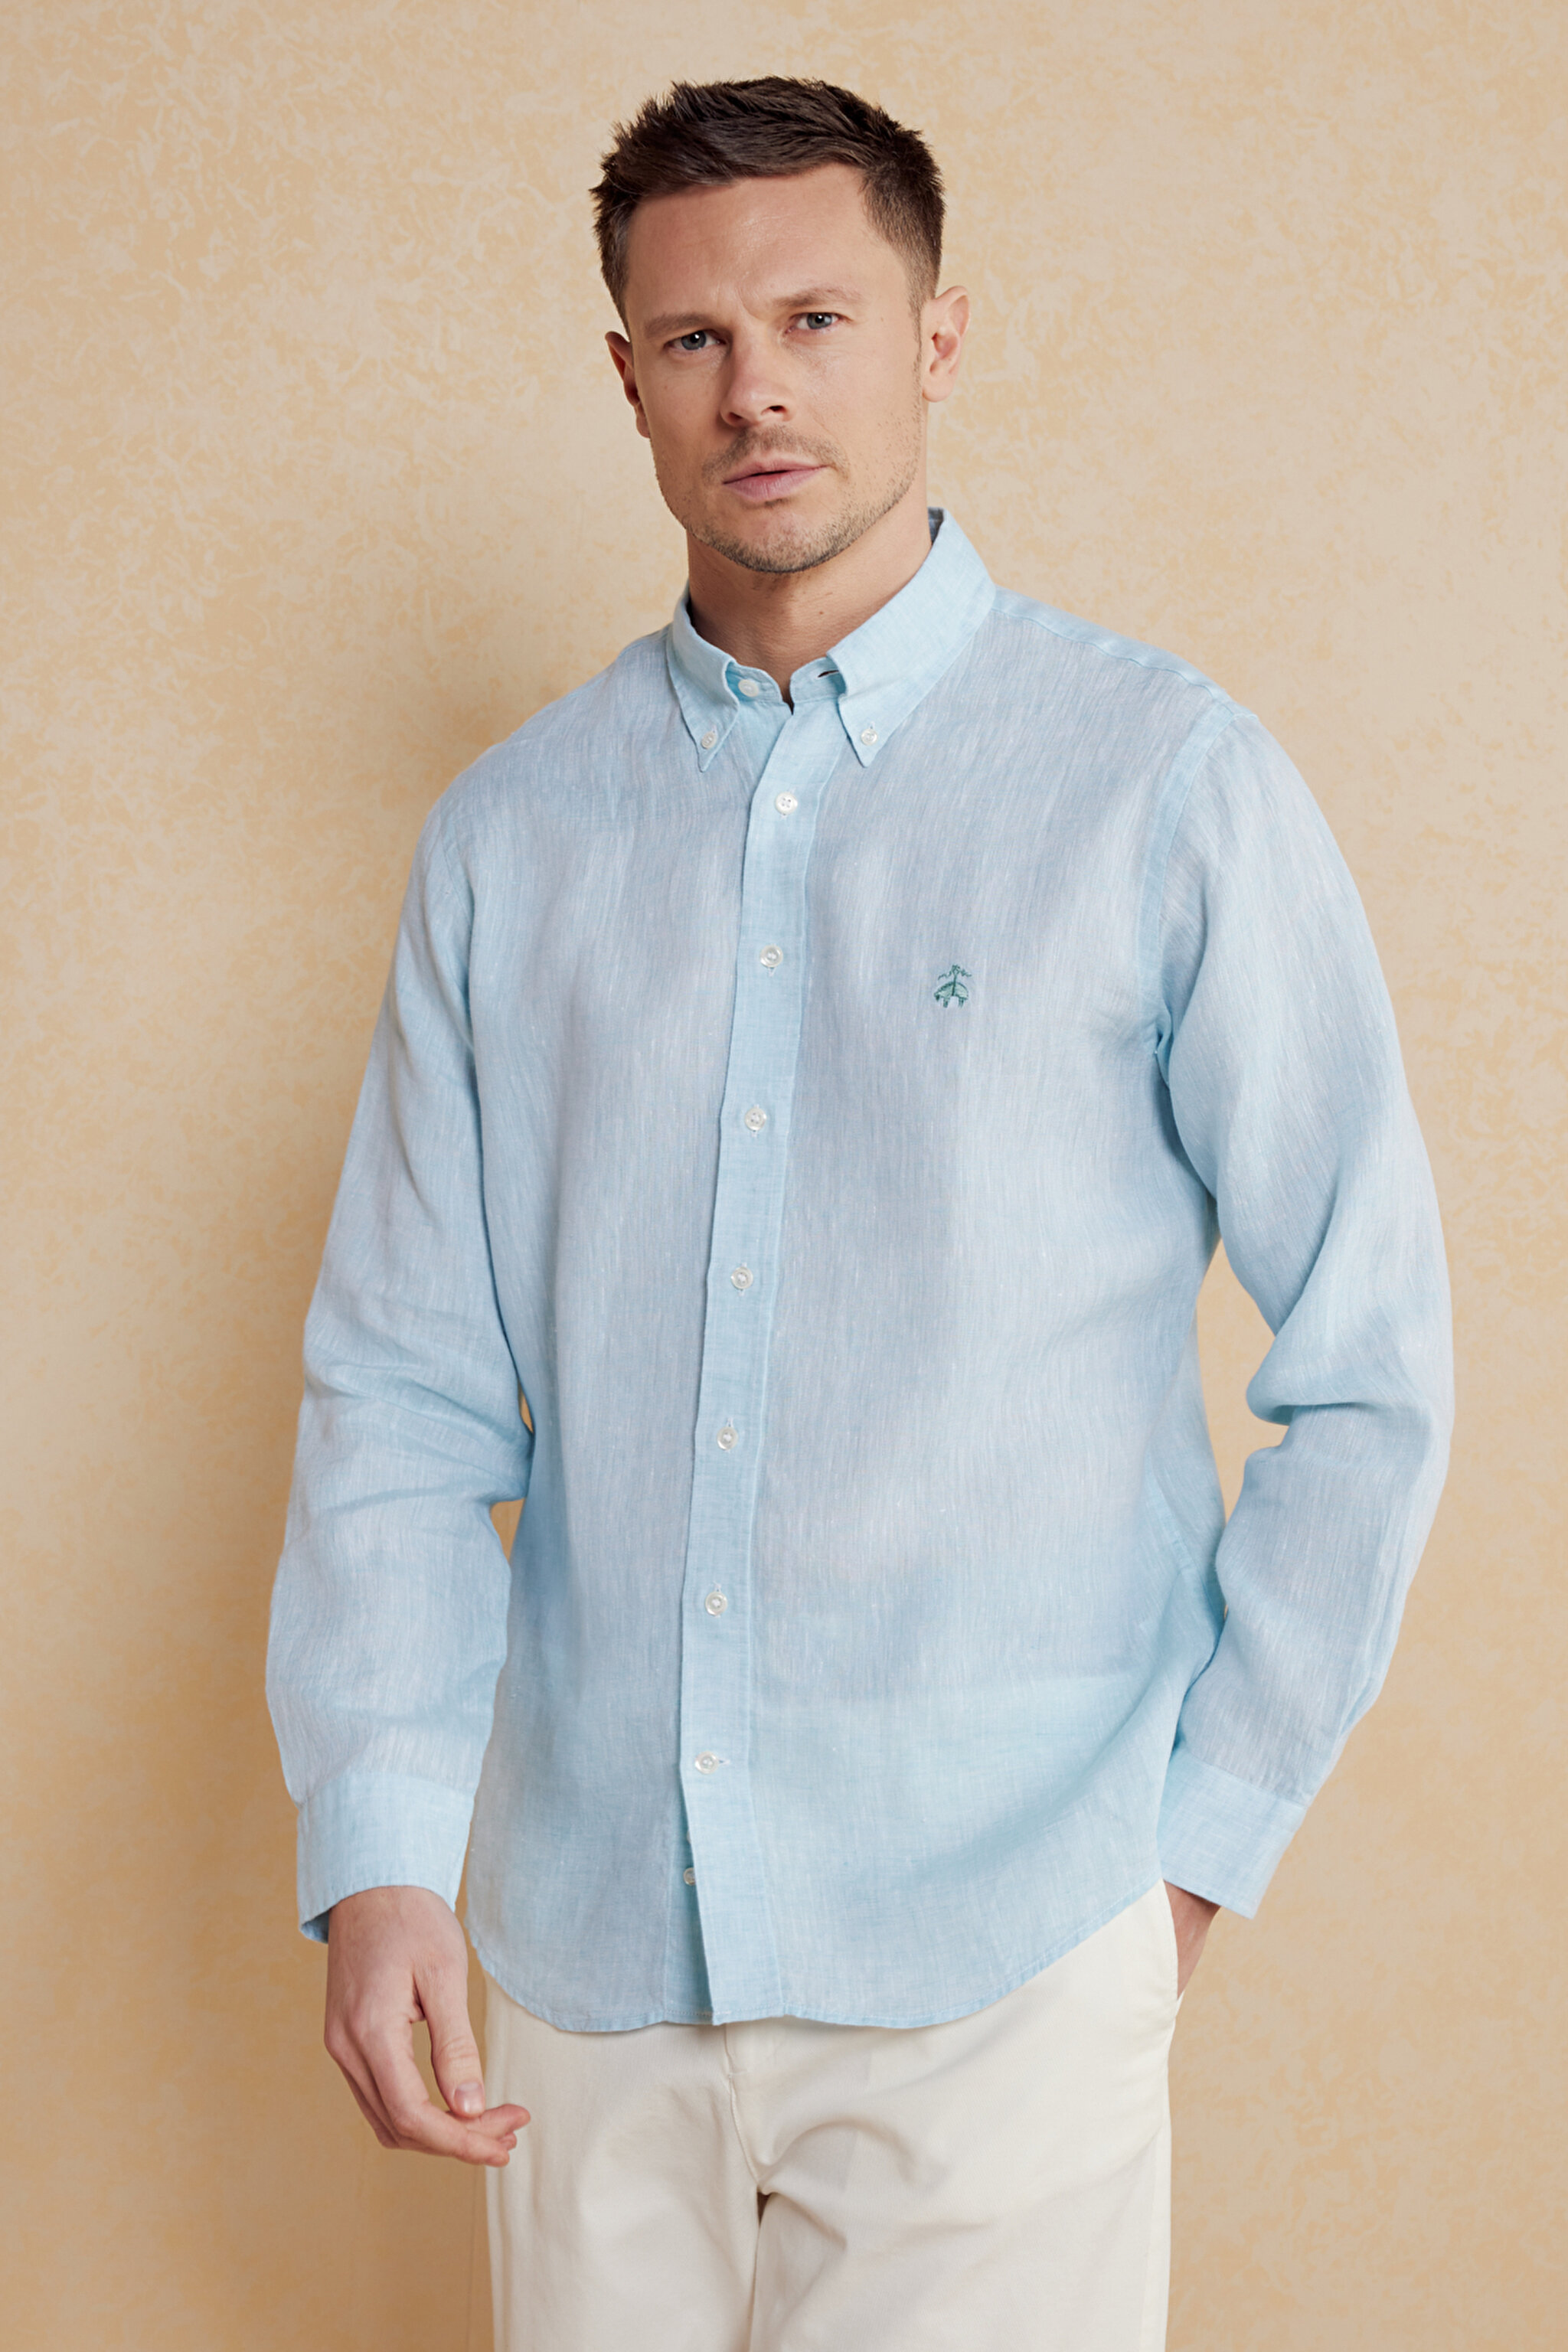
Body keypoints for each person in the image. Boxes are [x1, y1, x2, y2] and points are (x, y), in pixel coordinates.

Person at [266, 76, 1452, 2352]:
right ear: (627, 377)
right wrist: (382, 1856)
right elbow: (402, 1394)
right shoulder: (510, 842)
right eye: (695, 338)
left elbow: (1374, 1361)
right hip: (591, 1961)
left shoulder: (1161, 785)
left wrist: (1187, 1864)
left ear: (937, 336)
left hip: (1013, 1938)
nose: (760, 389)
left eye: (816, 319)